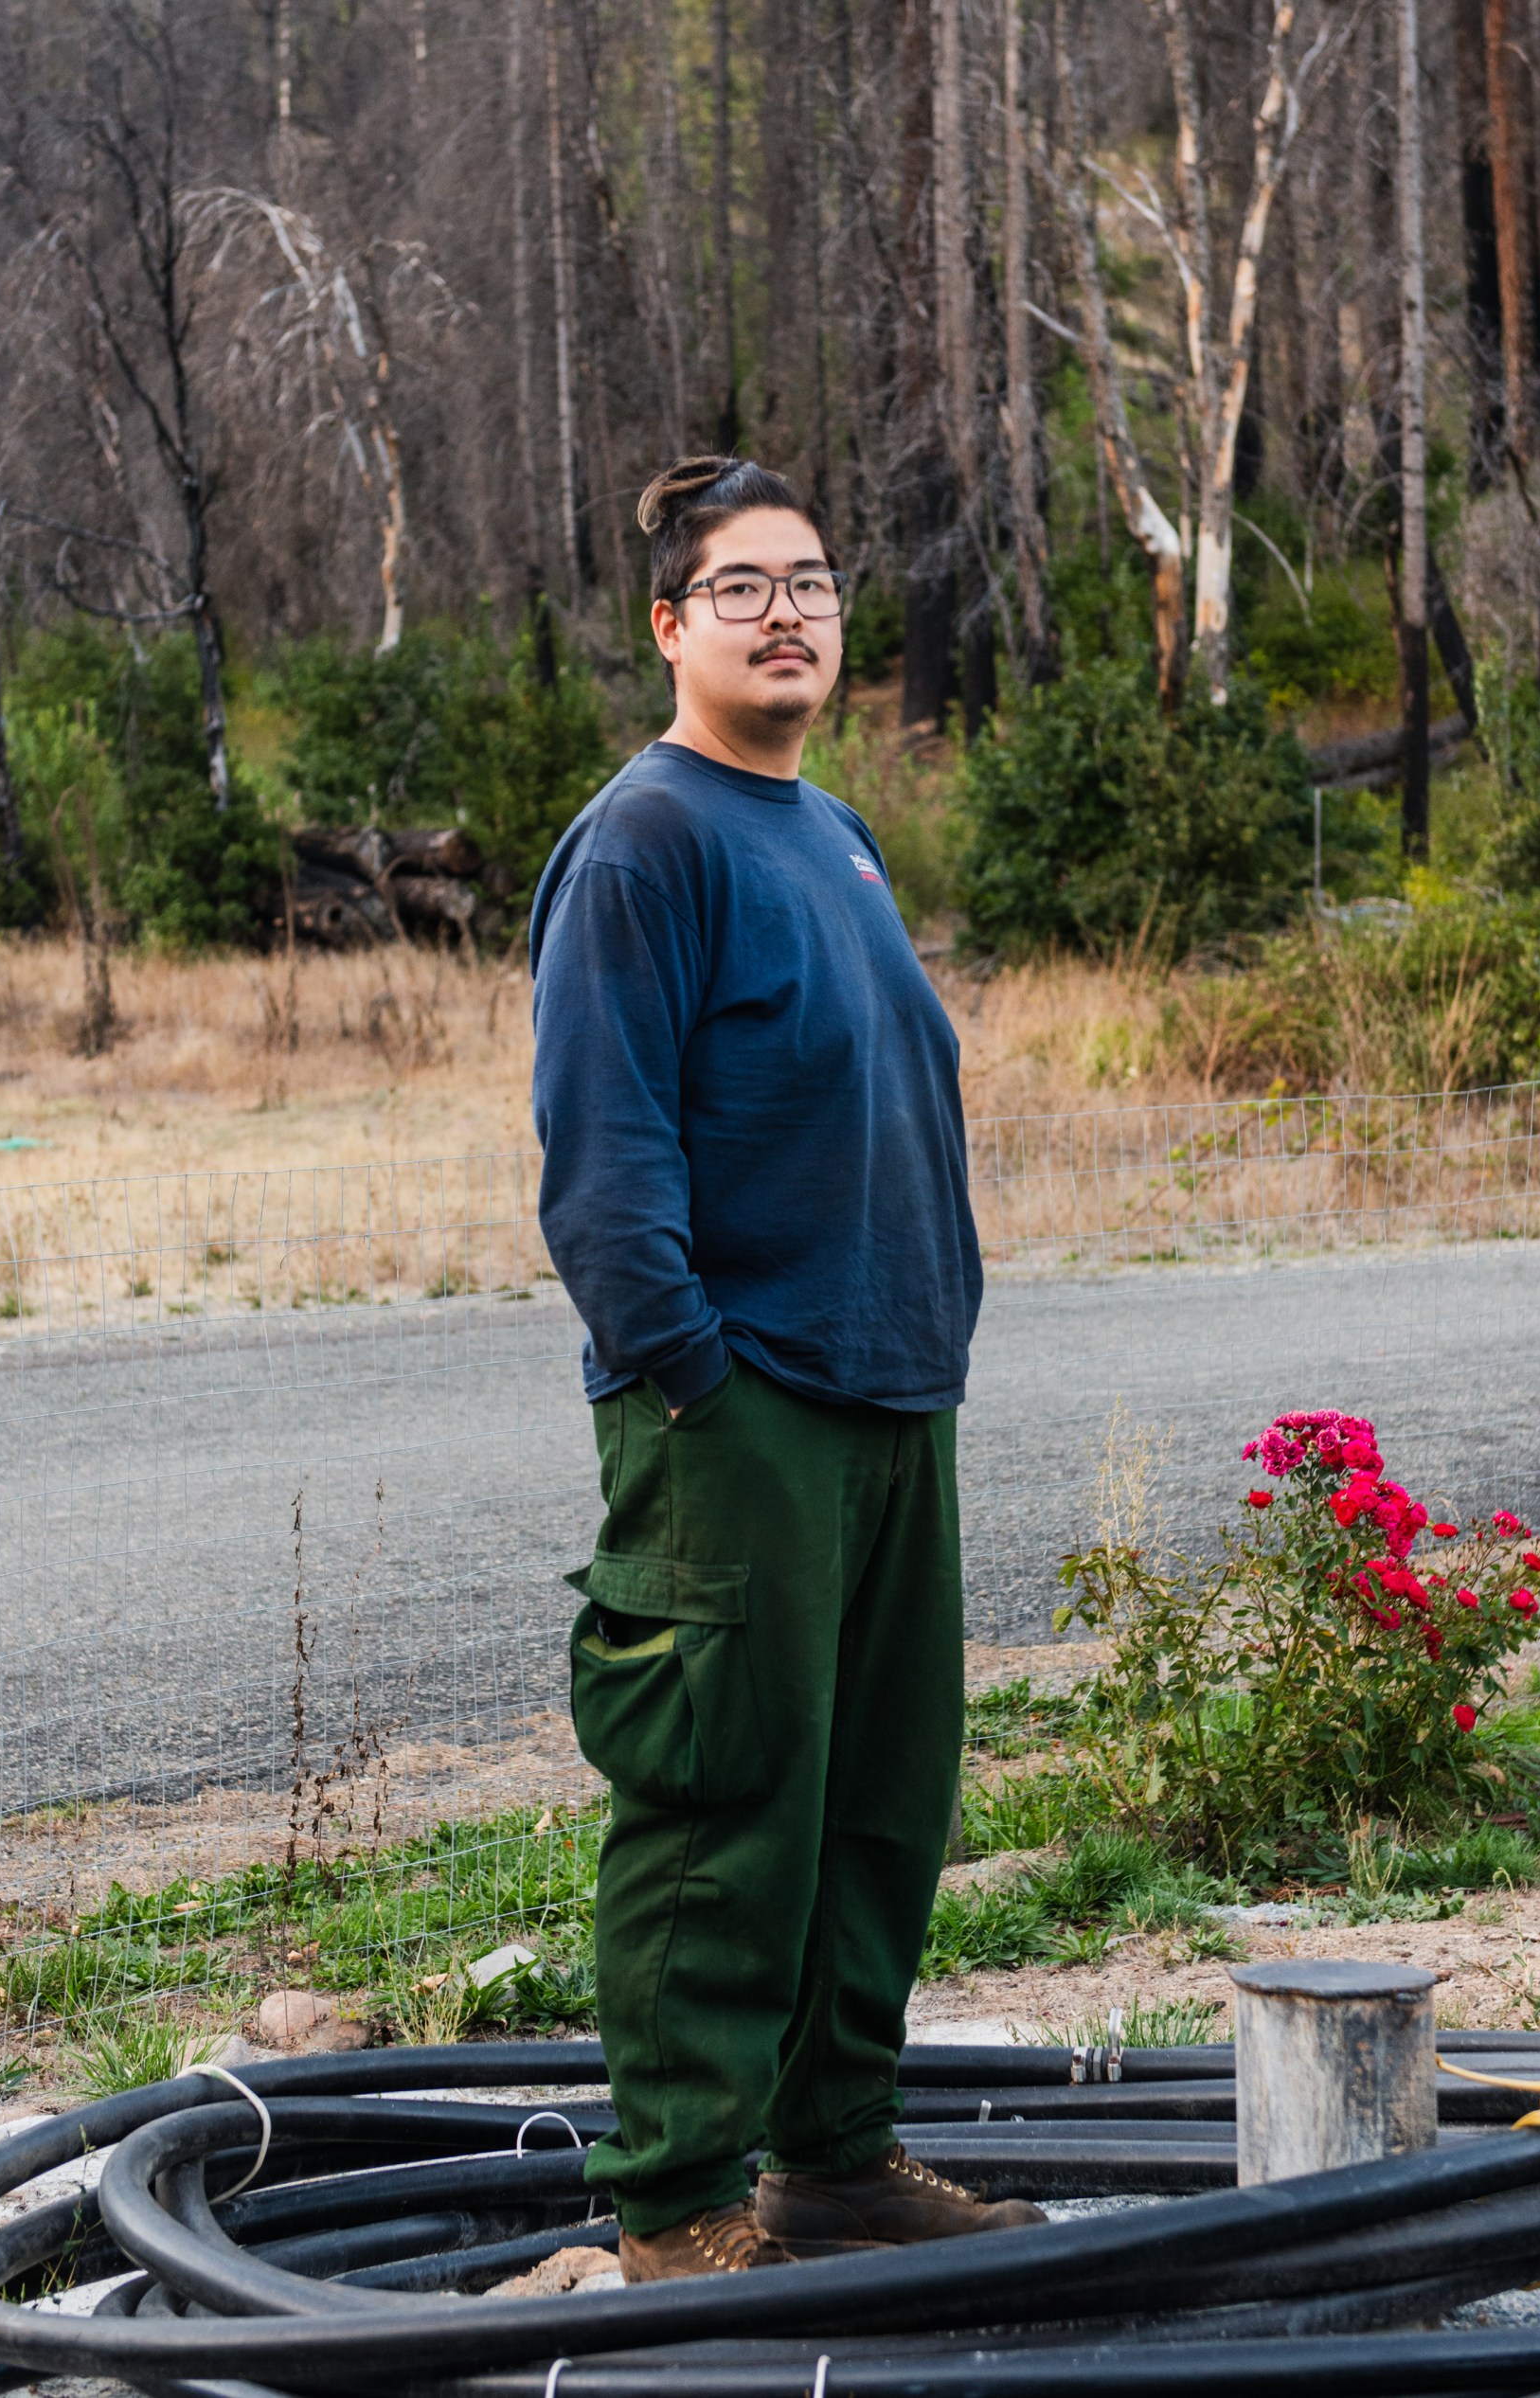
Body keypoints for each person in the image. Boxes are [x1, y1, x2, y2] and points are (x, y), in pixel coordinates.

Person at [528, 456, 1041, 2282]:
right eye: (742, 588)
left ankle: (832, 2159)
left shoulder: (829, 833)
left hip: (894, 1394)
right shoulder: (644, 842)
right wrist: (691, 1378)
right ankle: (679, 2207)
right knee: (724, 1805)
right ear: (671, 626)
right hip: (738, 1409)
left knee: (881, 1808)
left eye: (812, 583)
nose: (788, 614)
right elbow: (603, 1161)